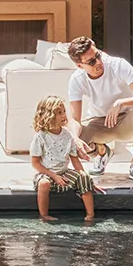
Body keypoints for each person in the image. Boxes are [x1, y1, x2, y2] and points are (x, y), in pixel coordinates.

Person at [64, 36, 133, 183]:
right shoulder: (77, 79)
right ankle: (102, 153)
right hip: (99, 124)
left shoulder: (118, 65)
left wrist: (122, 102)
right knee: (74, 139)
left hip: (126, 120)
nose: (98, 62)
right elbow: (75, 120)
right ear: (80, 65)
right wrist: (75, 138)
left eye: (98, 55)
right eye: (91, 61)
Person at [28, 95, 97, 223]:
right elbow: (35, 163)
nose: (63, 115)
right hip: (46, 174)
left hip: (64, 173)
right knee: (44, 184)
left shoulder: (67, 135)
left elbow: (74, 160)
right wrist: (54, 176)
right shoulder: (41, 137)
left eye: (64, 111)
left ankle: (90, 214)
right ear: (48, 115)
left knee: (84, 177)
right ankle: (44, 215)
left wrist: (87, 179)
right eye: (59, 113)